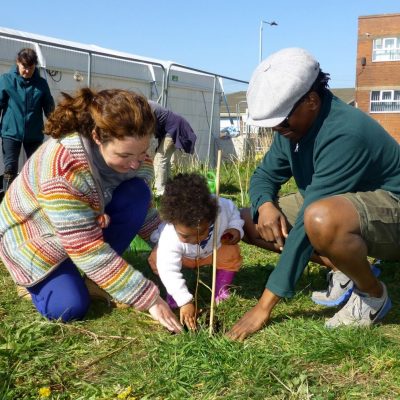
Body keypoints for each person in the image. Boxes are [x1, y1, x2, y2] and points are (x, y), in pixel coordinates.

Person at [226, 47, 400, 341]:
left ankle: (373, 294)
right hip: (338, 206)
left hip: (392, 211)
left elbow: (309, 223)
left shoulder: (345, 132)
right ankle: (347, 269)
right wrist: (265, 204)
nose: (279, 129)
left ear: (311, 100)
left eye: (282, 121)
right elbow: (265, 175)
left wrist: (264, 306)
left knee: (319, 219)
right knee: (246, 220)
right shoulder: (293, 130)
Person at [0, 87, 182, 334]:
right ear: (97, 137)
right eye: (125, 155)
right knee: (68, 307)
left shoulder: (137, 162)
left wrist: (165, 241)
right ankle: (31, 282)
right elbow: (85, 247)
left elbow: (143, 209)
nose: (135, 163)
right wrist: (148, 298)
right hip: (34, 234)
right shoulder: (62, 168)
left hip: (86, 225)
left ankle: (98, 277)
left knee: (137, 192)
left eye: (142, 152)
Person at [148, 173, 244, 330]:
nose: (195, 240)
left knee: (231, 251)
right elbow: (168, 269)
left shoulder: (222, 209)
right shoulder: (170, 237)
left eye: (202, 232)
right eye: (185, 235)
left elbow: (234, 212)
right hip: (183, 257)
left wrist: (235, 228)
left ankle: (221, 289)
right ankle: (174, 294)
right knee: (159, 260)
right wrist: (185, 301)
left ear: (211, 218)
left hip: (211, 252)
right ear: (172, 223)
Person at [0, 48, 55, 192]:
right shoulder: (6, 80)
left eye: (30, 68)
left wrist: (56, 127)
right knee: (10, 168)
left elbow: (49, 107)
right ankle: (7, 201)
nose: (27, 71)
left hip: (34, 134)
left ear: (35, 66)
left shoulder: (41, 84)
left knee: (35, 169)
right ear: (18, 63)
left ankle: (33, 199)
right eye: (24, 67)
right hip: (11, 132)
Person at [148, 100, 197, 196]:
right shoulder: (146, 104)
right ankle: (168, 188)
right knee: (165, 160)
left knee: (160, 158)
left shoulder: (145, 108)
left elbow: (148, 129)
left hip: (174, 128)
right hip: (175, 126)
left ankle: (160, 191)